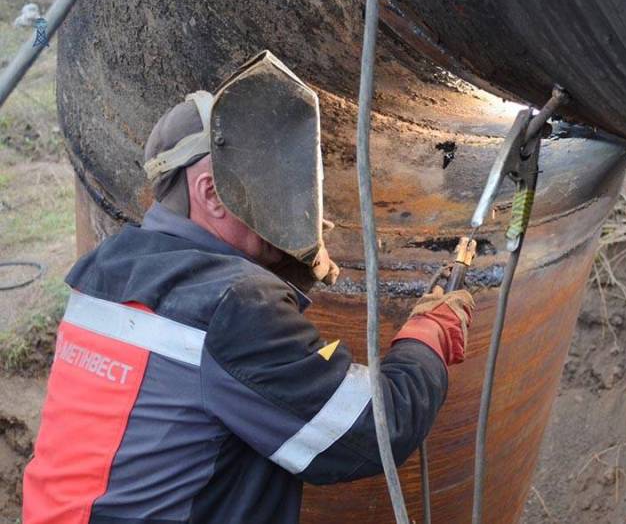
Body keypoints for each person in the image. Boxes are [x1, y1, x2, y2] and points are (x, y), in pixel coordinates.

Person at [22, 51, 474, 523]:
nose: (285, 200)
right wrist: (428, 338)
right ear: (213, 194)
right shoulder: (233, 305)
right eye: (268, 183)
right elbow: (369, 433)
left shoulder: (105, 269)